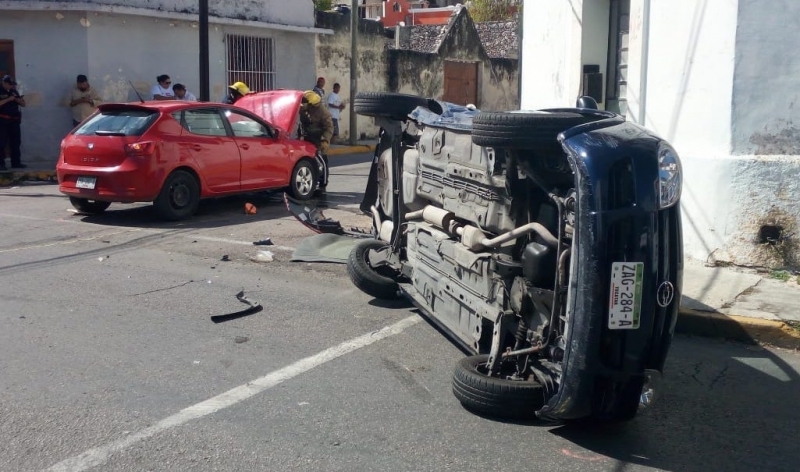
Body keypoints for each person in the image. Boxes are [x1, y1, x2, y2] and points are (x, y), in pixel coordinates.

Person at [299, 90, 333, 193]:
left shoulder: (323, 112)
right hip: (307, 138)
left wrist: (325, 140)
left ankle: (323, 183)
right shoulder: (303, 109)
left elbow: (329, 128)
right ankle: (313, 182)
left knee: (322, 161)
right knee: (309, 162)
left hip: (319, 139)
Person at [0, 75, 26, 170]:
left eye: (12, 84)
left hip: (14, 121)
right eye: (9, 84)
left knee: (15, 142)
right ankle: (1, 164)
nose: (11, 86)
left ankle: (16, 162)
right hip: (3, 121)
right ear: (4, 83)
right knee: (1, 143)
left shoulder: (14, 91)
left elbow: (23, 104)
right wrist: (8, 99)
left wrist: (18, 100)